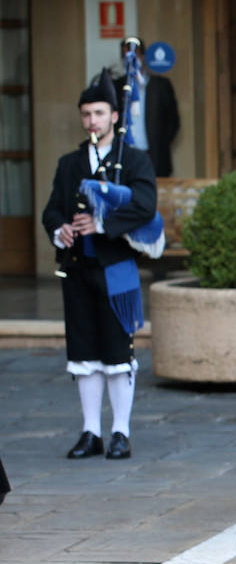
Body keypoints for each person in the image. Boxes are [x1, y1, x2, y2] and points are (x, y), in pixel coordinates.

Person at [40, 69, 158, 461]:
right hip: (76, 270)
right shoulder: (69, 162)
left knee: (116, 351)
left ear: (115, 117)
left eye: (99, 113)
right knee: (84, 352)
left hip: (115, 269)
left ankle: (120, 432)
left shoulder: (135, 161)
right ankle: (90, 432)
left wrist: (102, 224)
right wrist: (60, 229)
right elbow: (52, 209)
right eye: (87, 114)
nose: (92, 120)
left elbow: (144, 206)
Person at [114, 43, 180, 177]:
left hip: (155, 156)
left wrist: (160, 143)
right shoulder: (117, 86)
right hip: (126, 155)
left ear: (142, 56)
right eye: (125, 56)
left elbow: (173, 121)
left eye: (134, 55)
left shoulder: (161, 85)